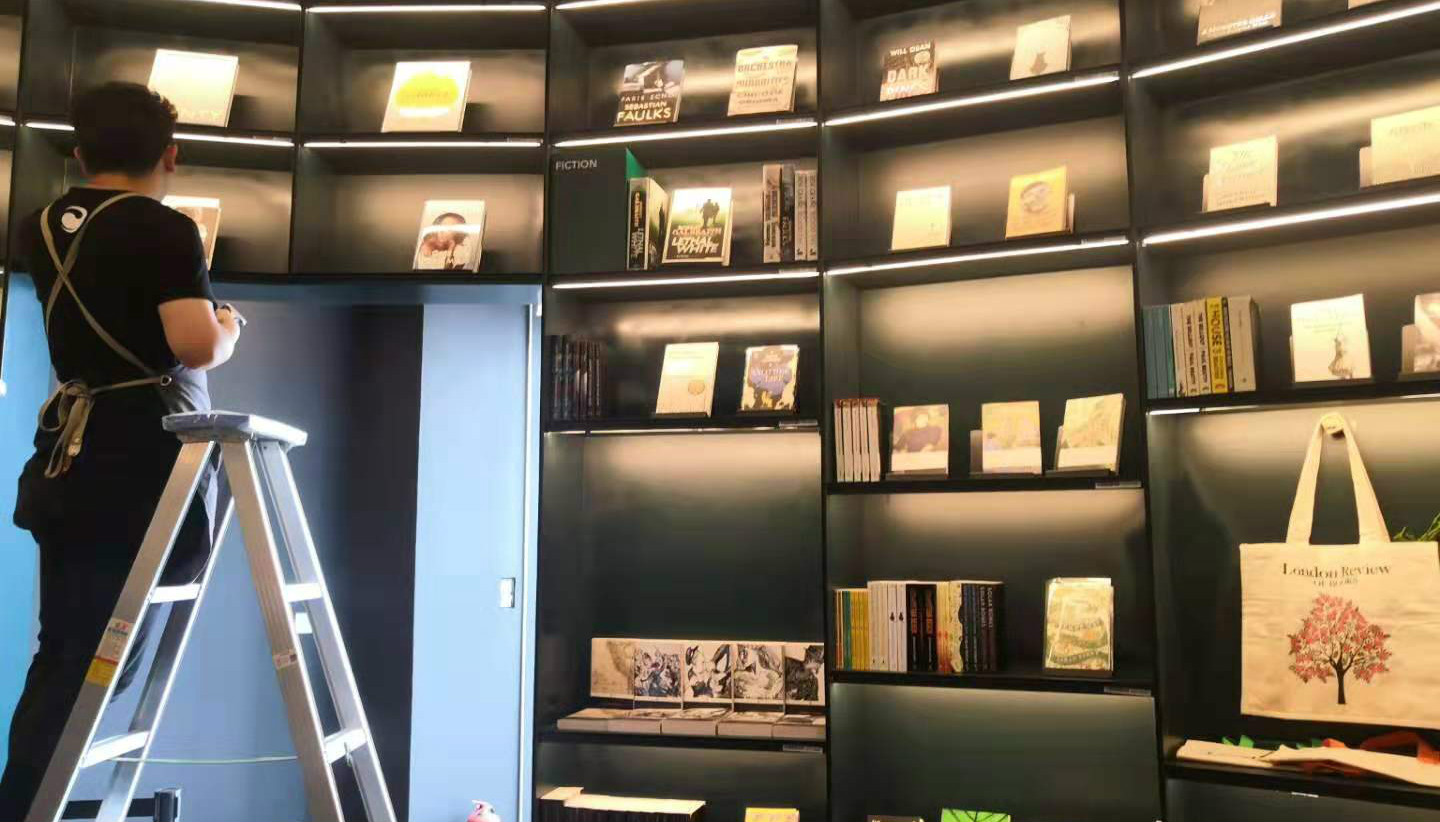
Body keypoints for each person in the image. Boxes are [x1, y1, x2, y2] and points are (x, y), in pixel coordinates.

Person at [0, 82, 244, 819]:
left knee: (62, 649)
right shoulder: (165, 229)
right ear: (171, 155)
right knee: (103, 656)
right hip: (141, 459)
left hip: (67, 456)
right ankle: (30, 805)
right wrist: (230, 325)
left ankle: (22, 799)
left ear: (79, 153)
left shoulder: (40, 226)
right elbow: (193, 346)